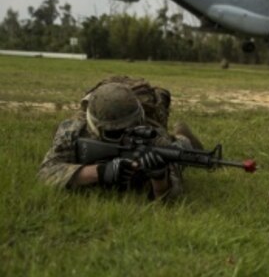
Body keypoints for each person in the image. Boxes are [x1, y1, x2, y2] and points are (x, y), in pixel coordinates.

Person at [38, 78, 203, 201]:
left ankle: (183, 135)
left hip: (149, 115)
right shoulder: (75, 130)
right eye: (116, 134)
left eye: (132, 129)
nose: (127, 138)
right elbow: (46, 173)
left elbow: (172, 196)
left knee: (181, 150)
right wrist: (100, 172)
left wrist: (159, 177)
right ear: (95, 128)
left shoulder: (151, 134)